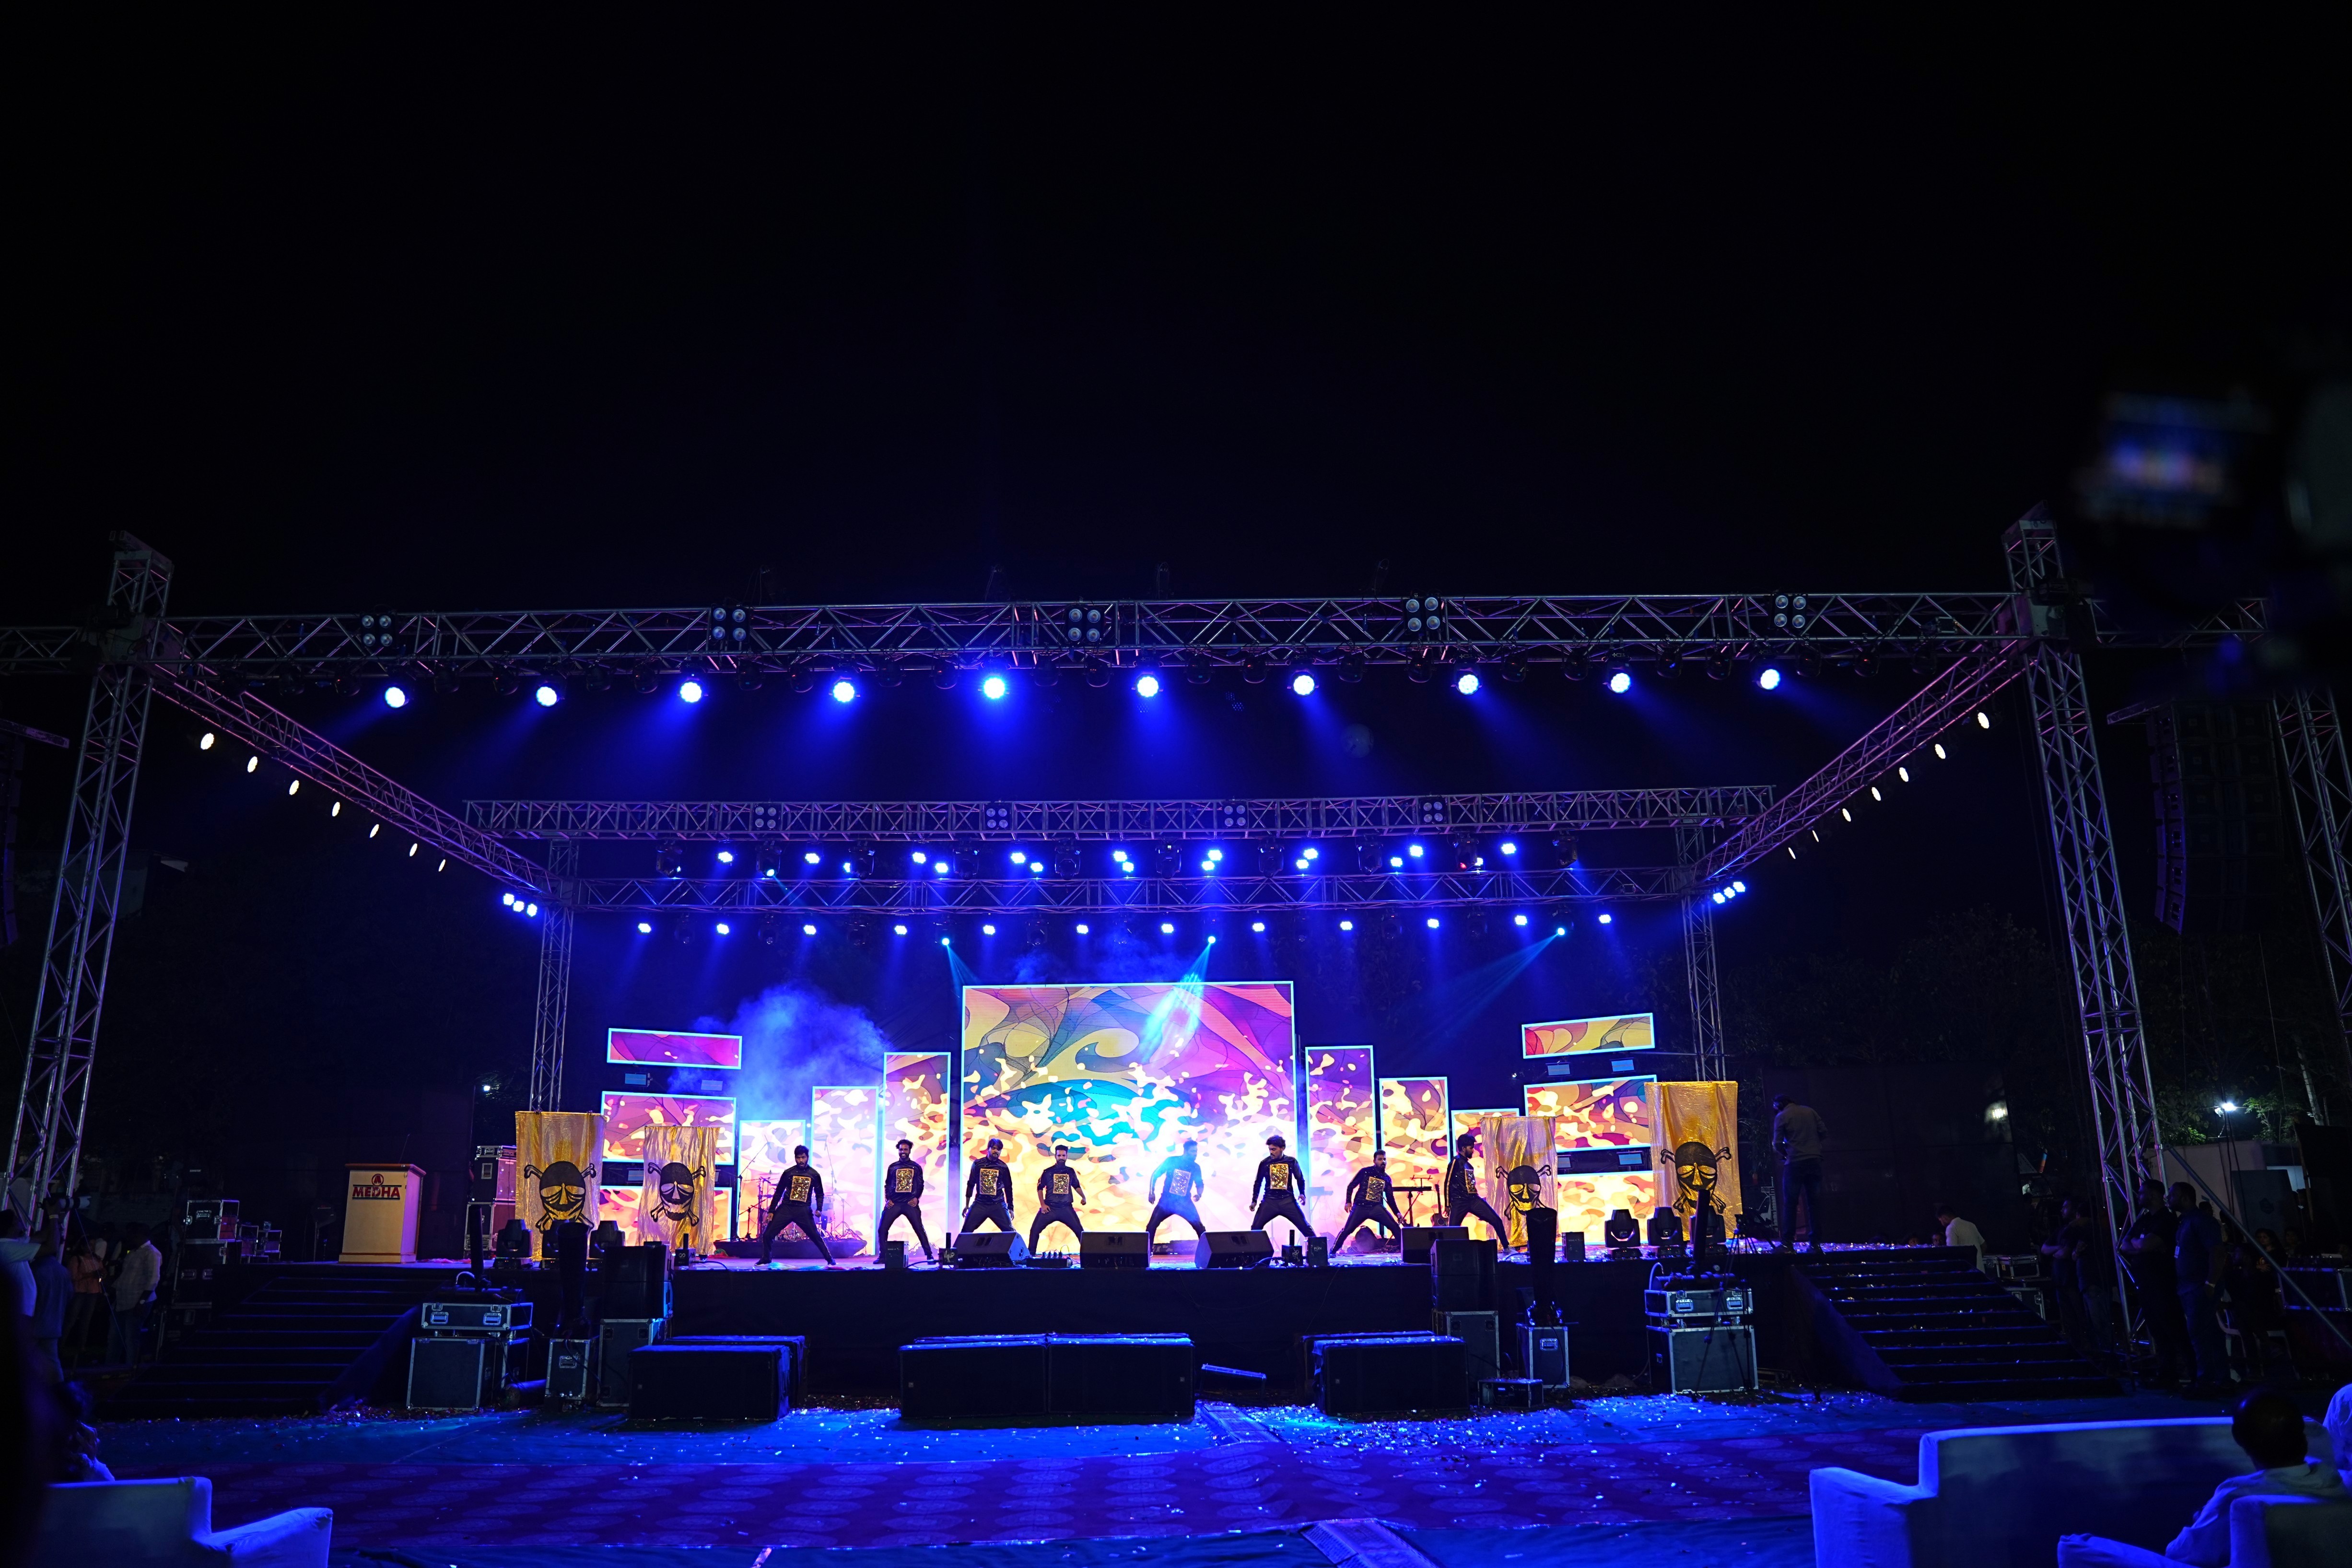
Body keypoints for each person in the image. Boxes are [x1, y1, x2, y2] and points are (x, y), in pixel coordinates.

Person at [2057, 1388, 2343, 1567]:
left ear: (2240, 1440)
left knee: (2076, 1546)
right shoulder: (2339, 1480)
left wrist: (2198, 1521)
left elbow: (2183, 1555)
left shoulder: (2238, 1496)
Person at [2119, 1178, 2192, 1390]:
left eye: (2141, 1193)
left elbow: (2144, 1244)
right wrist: (2140, 1246)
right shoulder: (2143, 1220)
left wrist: (2141, 1246)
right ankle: (2167, 1374)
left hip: (2164, 1284)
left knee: (2174, 1329)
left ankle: (2193, 1372)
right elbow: (2125, 1245)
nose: (2138, 1197)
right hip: (2147, 1285)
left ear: (2152, 1195)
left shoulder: (2166, 1220)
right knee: (2159, 1331)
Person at [2167, 1180, 2229, 1390]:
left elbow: (2217, 1252)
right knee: (2209, 1333)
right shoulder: (2185, 1221)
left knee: (2200, 1334)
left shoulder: (2201, 1221)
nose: (2169, 1198)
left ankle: (2207, 1381)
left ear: (2185, 1197)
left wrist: (2210, 1283)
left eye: (2172, 1195)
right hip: (2190, 1287)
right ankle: (2220, 1379)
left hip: (2199, 1287)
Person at [756, 1147, 837, 1267]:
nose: (801, 1160)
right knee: (768, 1234)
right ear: (795, 1158)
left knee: (815, 1236)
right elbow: (778, 1192)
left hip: (803, 1210)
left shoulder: (814, 1174)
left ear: (808, 1158)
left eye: (803, 1157)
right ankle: (767, 1258)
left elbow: (820, 1194)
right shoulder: (789, 1173)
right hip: (786, 1208)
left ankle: (830, 1259)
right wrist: (772, 1211)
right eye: (798, 1158)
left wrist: (819, 1209)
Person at [1770, 1094, 1827, 1251]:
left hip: (1795, 1163)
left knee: (1791, 1203)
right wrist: (1812, 1145)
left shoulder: (1782, 1116)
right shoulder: (1810, 1111)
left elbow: (1777, 1144)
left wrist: (1787, 1153)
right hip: (1814, 1161)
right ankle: (1815, 1244)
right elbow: (1823, 1132)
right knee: (1814, 1204)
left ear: (1780, 1105)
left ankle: (1788, 1243)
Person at [106, 1221, 161, 1367]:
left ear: (141, 1235)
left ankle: (131, 1369)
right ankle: (110, 1368)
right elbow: (126, 1276)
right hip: (123, 1301)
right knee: (115, 1337)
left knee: (132, 1338)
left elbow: (153, 1280)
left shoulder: (152, 1253)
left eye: (132, 1235)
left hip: (137, 1301)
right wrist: (112, 1290)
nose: (129, 1238)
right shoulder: (135, 1252)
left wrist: (142, 1302)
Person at [1443, 1131, 1511, 1243]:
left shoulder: (1468, 1165)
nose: (1473, 1150)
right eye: (1471, 1148)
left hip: (1474, 1200)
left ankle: (1506, 1247)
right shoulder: (1456, 1162)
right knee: (1452, 1230)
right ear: (1464, 1148)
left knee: (1496, 1220)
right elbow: (1448, 1182)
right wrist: (1447, 1204)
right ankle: (1450, 1255)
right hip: (1459, 1201)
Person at [1333, 1148, 1405, 1252]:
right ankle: (1333, 1251)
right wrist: (1348, 1201)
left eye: (1385, 1159)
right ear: (1375, 1161)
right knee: (1347, 1230)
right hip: (1360, 1207)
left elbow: (1390, 1199)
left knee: (1394, 1227)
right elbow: (1351, 1186)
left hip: (1376, 1208)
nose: (1383, 1162)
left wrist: (1397, 1213)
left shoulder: (1387, 1179)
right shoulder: (1365, 1171)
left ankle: (1406, 1252)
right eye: (1380, 1159)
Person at [877, 1138, 934, 1262]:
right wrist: (888, 1199)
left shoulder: (916, 1167)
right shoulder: (893, 1167)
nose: (903, 1151)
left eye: (905, 1149)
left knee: (919, 1229)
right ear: (898, 1150)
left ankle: (929, 1255)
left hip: (909, 1203)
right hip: (895, 1203)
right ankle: (883, 1257)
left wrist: (916, 1198)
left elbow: (920, 1184)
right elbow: (888, 1184)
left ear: (909, 1151)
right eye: (901, 1149)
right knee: (882, 1229)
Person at [1144, 1139, 1207, 1249]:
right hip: (1166, 1203)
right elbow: (1155, 1174)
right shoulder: (1171, 1161)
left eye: (1196, 1151)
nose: (1195, 1154)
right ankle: (1147, 1254)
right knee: (1151, 1227)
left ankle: (1207, 1254)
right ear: (1186, 1151)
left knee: (1200, 1228)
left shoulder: (1196, 1167)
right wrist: (1151, 1192)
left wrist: (1199, 1194)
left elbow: (1200, 1183)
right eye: (1193, 1151)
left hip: (1185, 1204)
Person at [1249, 1135, 1313, 1242]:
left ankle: (1320, 1253)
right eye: (1270, 1149)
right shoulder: (1265, 1163)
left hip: (1288, 1201)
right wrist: (1254, 1201)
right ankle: (1252, 1257)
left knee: (1306, 1228)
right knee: (1255, 1228)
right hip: (1270, 1201)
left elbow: (1300, 1179)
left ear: (1282, 1148)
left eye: (1274, 1149)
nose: (1271, 1152)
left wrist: (1302, 1193)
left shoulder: (1291, 1162)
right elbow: (1258, 1183)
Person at [1029, 1145, 1086, 1250]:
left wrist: (1083, 1197)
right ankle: (1030, 1257)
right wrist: (1043, 1205)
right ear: (1056, 1156)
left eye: (1063, 1155)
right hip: (1050, 1208)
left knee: (1080, 1231)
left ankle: (1088, 1257)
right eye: (1059, 1155)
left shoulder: (1070, 1171)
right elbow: (1040, 1188)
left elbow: (1076, 1186)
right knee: (1035, 1230)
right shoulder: (1048, 1172)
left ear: (1067, 1156)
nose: (1061, 1158)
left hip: (1066, 1208)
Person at [63, 1237, 106, 1369]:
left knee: (86, 1320)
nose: (91, 1247)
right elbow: (73, 1277)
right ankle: (61, 1344)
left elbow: (101, 1275)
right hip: (79, 1291)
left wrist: (101, 1275)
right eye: (89, 1245)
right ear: (82, 1246)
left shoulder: (97, 1259)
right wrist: (90, 1275)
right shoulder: (76, 1259)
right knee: (71, 1319)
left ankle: (82, 1346)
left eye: (93, 1245)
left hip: (93, 1292)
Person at [961, 1136, 1018, 1235]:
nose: (996, 1151)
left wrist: (1011, 1207)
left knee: (1010, 1233)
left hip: (998, 1204)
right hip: (980, 1204)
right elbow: (971, 1184)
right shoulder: (978, 1164)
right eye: (994, 1148)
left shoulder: (1003, 1167)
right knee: (965, 1232)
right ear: (989, 1149)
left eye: (999, 1149)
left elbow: (1009, 1188)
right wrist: (967, 1205)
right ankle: (959, 1250)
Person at [1935, 1201, 1988, 1268]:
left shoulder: (1951, 1228)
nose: (1941, 1223)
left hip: (1967, 1273)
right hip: (1980, 1271)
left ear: (1944, 1218)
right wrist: (1978, 1260)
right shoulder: (1971, 1225)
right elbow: (1984, 1246)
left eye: (1940, 1220)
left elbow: (1951, 1252)